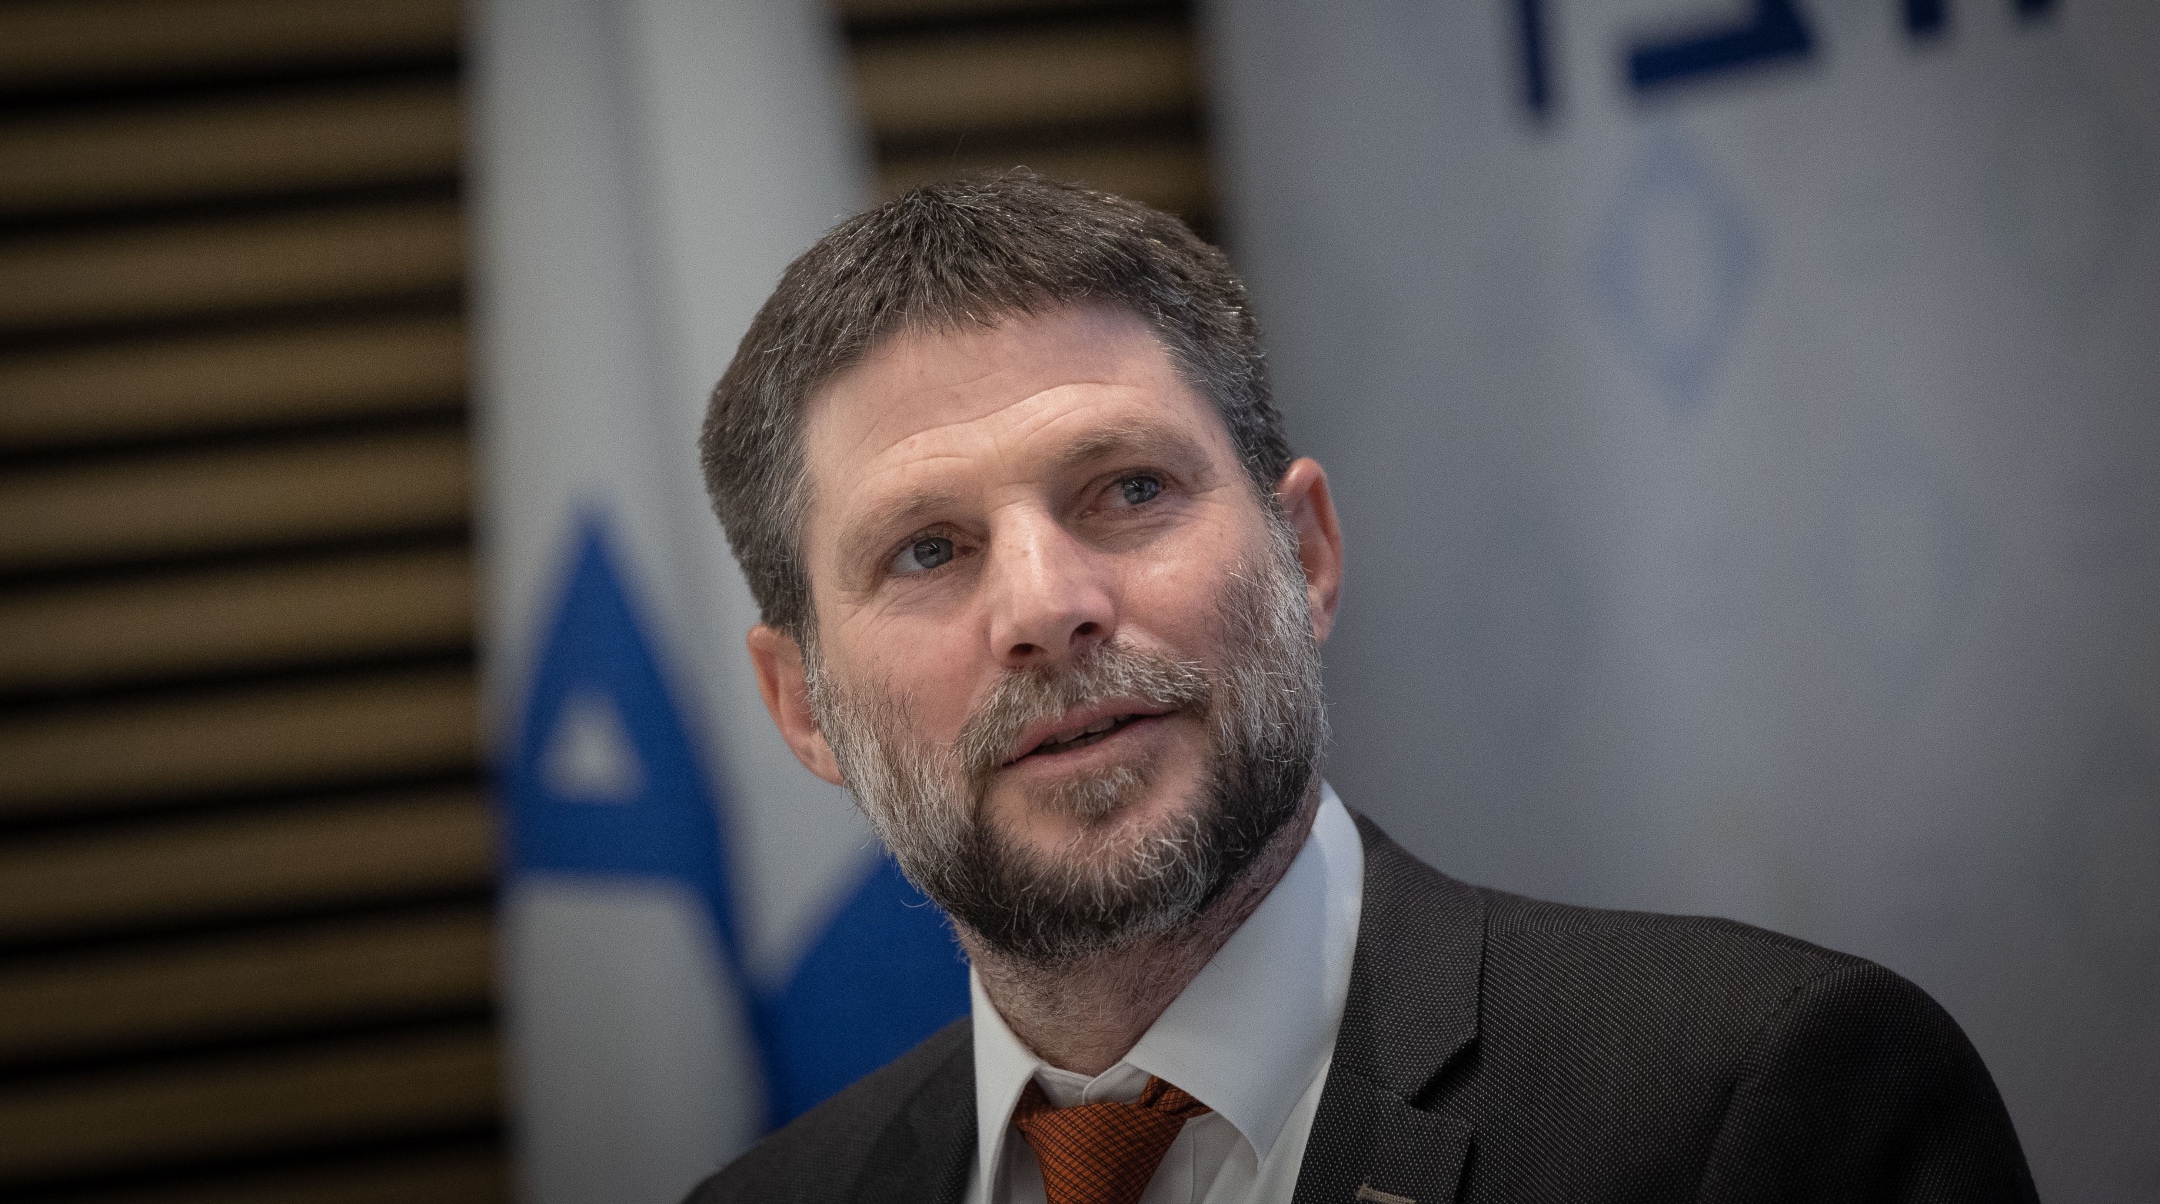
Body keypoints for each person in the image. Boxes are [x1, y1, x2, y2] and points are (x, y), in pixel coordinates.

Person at [683, 173, 2035, 1204]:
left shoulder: (1758, 1099)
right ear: (801, 705)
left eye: (1130, 489)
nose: (1046, 604)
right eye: (928, 549)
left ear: (1307, 555)